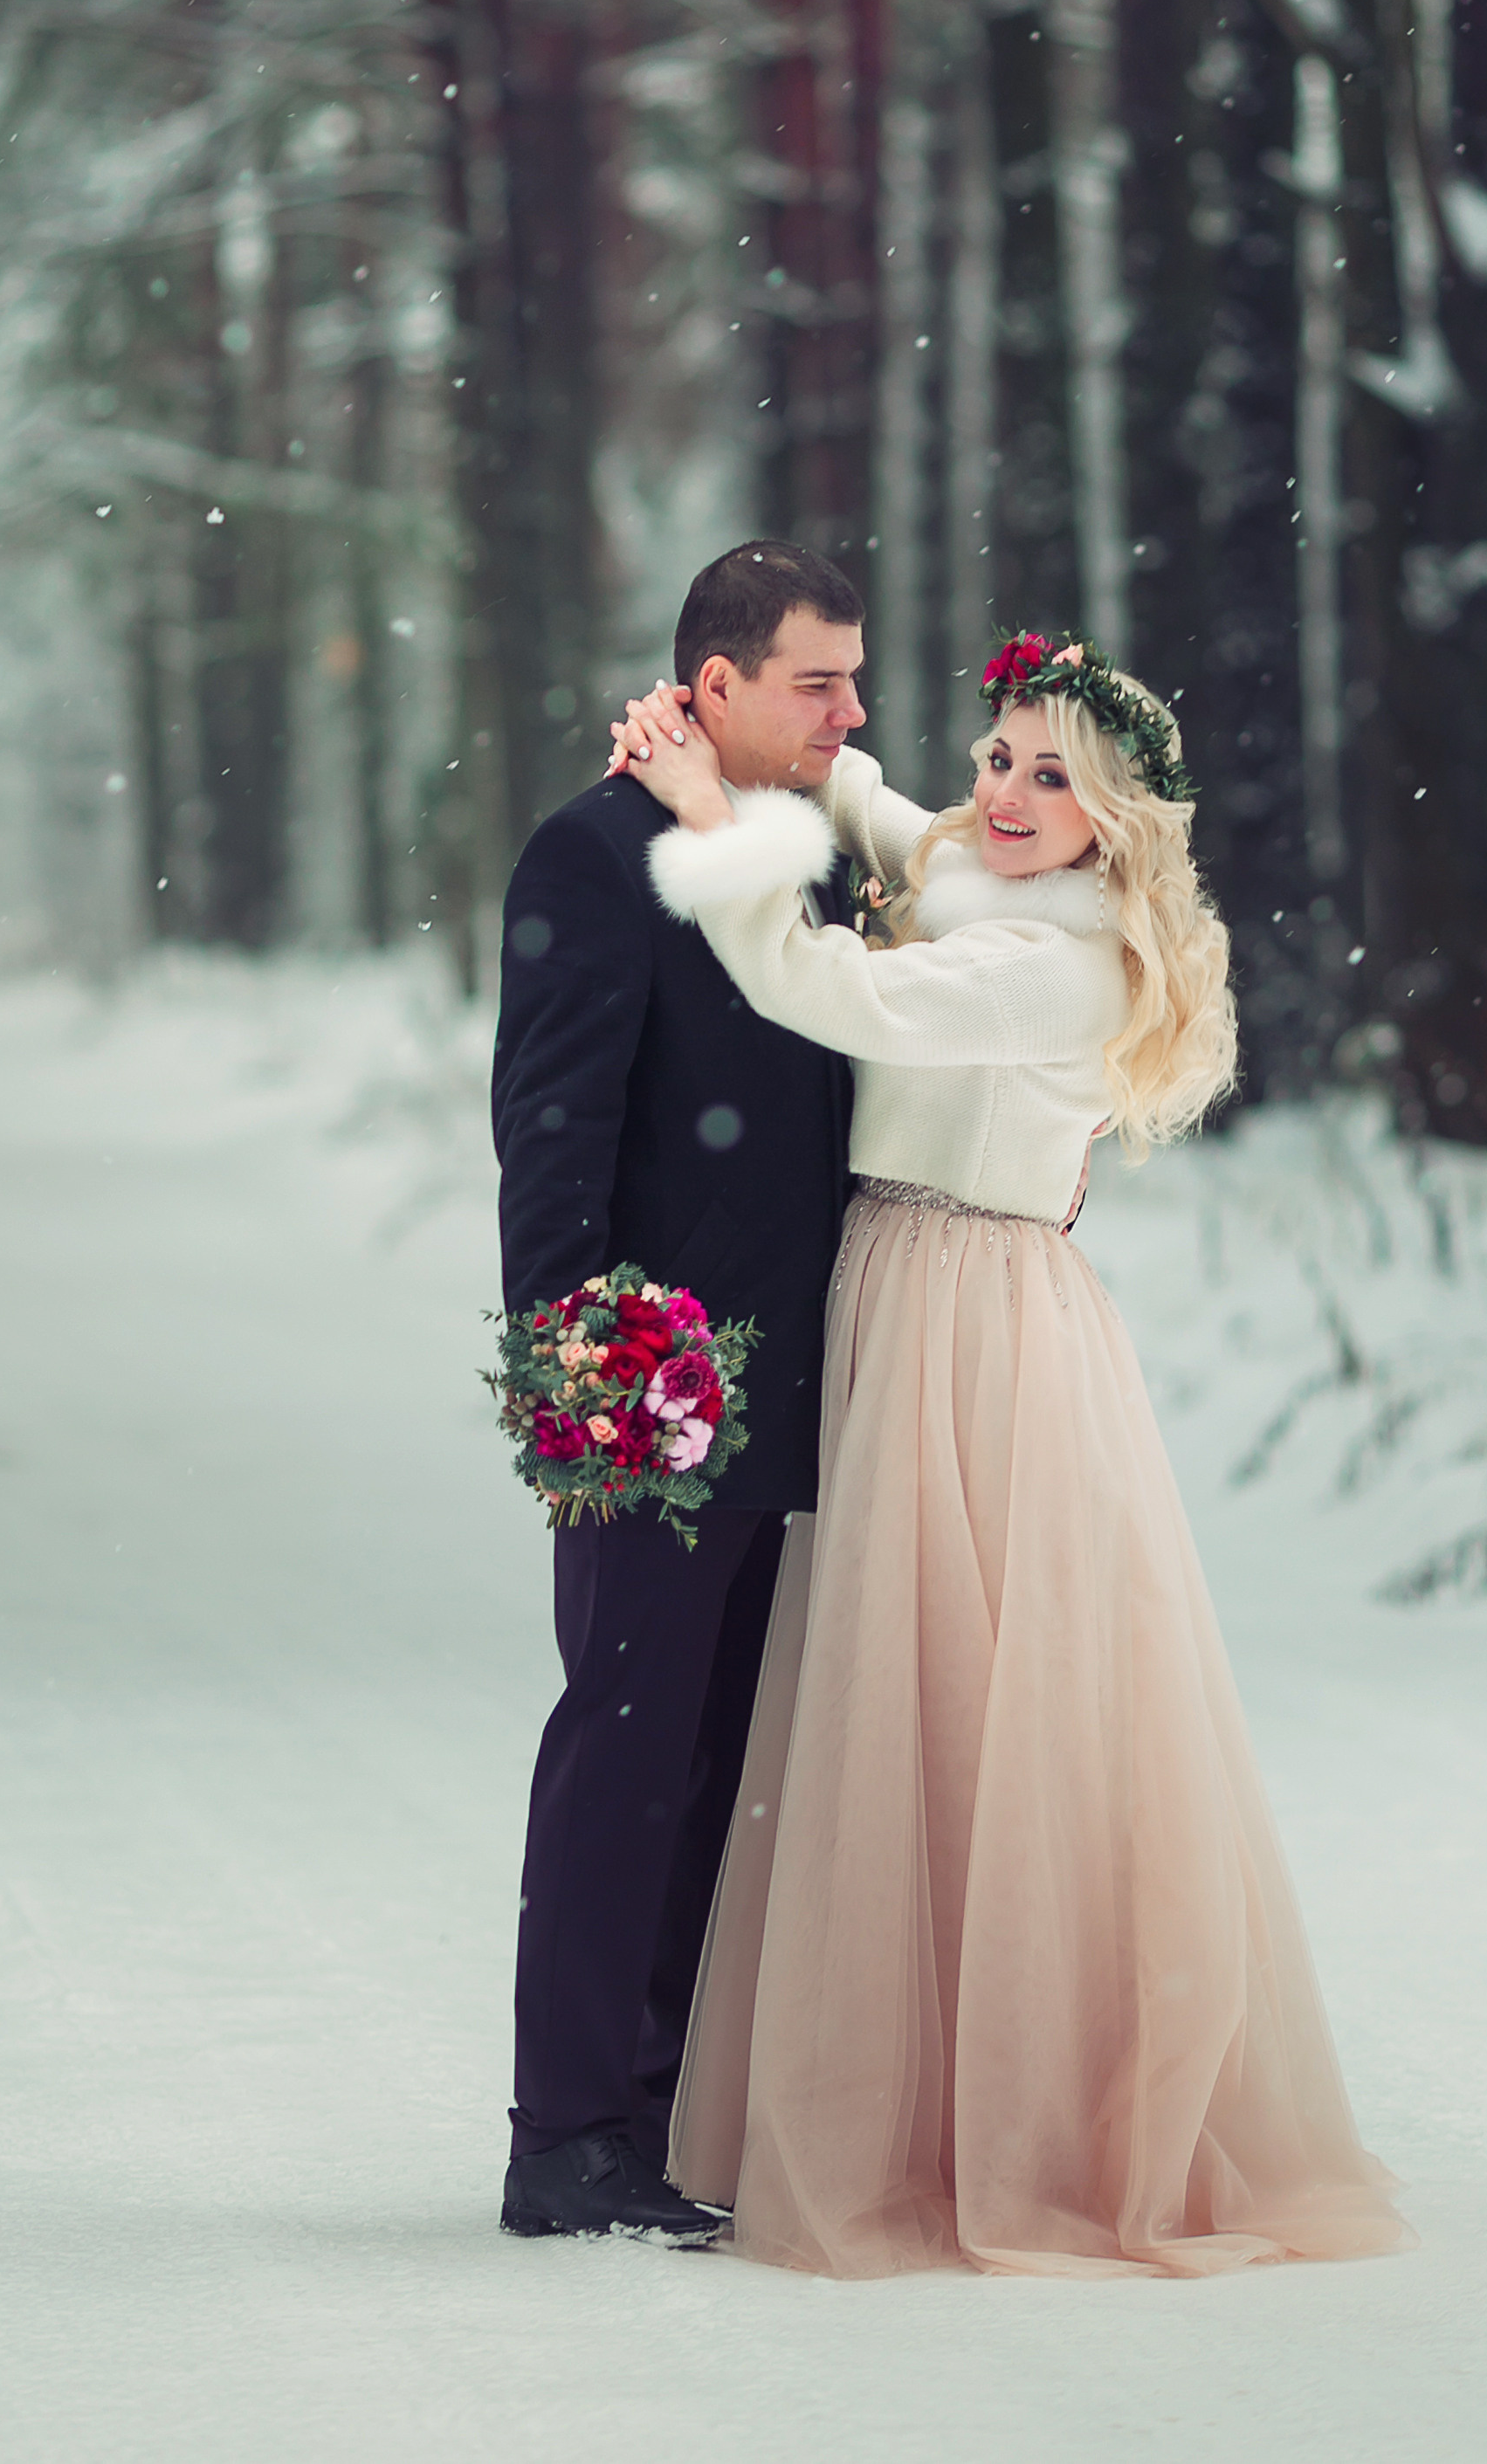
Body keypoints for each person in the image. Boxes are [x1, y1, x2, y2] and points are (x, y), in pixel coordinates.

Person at [610, 630, 1408, 2278]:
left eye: (1057, 777)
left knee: (956, 1704)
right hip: (933, 1287)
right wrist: (795, 744)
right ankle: (941, 2083)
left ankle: (996, 2120)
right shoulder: (989, 875)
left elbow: (824, 987)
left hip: (962, 1317)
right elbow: (914, 832)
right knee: (918, 1687)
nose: (1008, 794)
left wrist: (708, 806)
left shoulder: (1058, 962)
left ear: (1118, 819)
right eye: (1001, 757)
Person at [491, 540, 867, 2243]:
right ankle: (568, 2134)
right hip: (652, 1382)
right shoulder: (589, 854)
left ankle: (666, 2107)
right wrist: (587, 1383)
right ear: (709, 688)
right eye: (815, 680)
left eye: (853, 677)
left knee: (731, 1761)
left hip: (812, 1386)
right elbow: (549, 1136)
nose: (849, 711)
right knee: (624, 1748)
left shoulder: (818, 861)